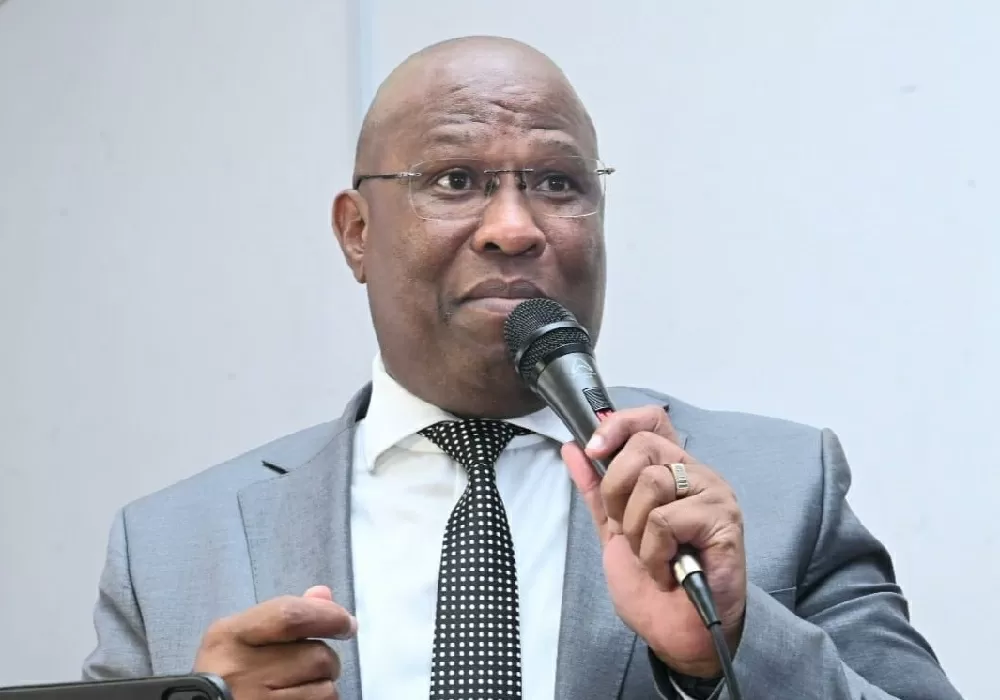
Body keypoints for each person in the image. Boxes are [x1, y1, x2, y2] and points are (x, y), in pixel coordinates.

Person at [81, 36, 964, 700]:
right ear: (356, 232)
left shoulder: (782, 488)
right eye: (455, 180)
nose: (515, 227)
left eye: (557, 183)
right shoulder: (169, 546)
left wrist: (729, 641)